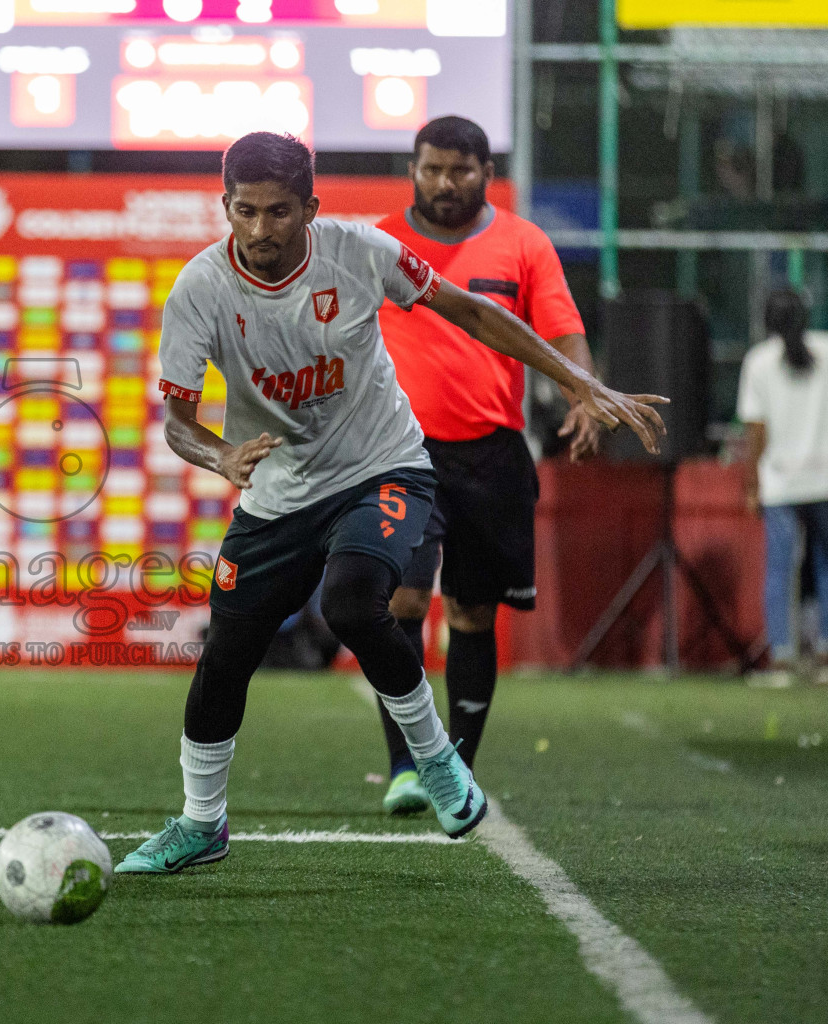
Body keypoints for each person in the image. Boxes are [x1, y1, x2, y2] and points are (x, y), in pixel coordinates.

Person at [115, 132, 665, 873]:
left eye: (280, 213)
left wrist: (577, 381)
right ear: (226, 206)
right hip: (276, 494)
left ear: (310, 208)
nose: (260, 231)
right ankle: (200, 824)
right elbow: (177, 422)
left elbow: (468, 311)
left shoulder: (360, 252)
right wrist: (221, 454)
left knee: (352, 602)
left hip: (383, 469)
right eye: (244, 212)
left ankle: (435, 763)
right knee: (224, 658)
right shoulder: (200, 290)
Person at [369, 116, 601, 815]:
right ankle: (406, 764)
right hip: (395, 450)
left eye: (460, 170)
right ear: (413, 167)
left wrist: (584, 396)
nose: (444, 183)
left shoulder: (524, 243)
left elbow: (562, 333)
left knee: (472, 612)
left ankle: (458, 768)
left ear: (485, 173)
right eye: (432, 168)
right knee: (400, 601)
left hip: (490, 452)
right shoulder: (378, 243)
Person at [739, 289, 828, 685]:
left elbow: (756, 431)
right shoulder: (826, 350)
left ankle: (783, 659)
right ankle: (825, 655)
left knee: (780, 570)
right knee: (826, 568)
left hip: (780, 481)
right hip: (824, 478)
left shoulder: (759, 362)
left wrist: (752, 484)